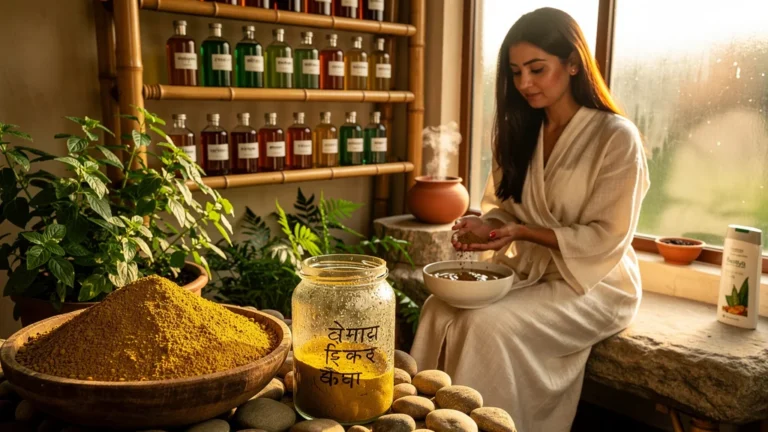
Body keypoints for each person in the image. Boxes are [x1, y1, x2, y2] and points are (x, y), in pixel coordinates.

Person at [410, 7, 650, 432]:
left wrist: (520, 232)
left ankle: (494, 426)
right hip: (531, 269)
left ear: (573, 63)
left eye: (537, 69)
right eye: (516, 71)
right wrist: (490, 226)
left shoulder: (615, 138)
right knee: (437, 309)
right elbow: (505, 208)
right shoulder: (519, 130)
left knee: (485, 326)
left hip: (597, 281)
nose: (524, 84)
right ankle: (426, 421)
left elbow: (608, 236)